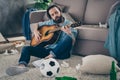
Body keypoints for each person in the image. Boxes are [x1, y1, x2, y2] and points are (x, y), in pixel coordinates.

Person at [6, 5, 78, 76]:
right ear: (51, 17)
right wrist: (35, 31)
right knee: (25, 48)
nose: (55, 15)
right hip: (48, 50)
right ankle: (21, 66)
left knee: (69, 38)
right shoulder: (51, 23)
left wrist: (69, 33)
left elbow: (71, 42)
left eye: (56, 12)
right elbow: (37, 24)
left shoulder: (69, 24)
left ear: (60, 12)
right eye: (52, 14)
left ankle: (50, 57)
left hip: (62, 53)